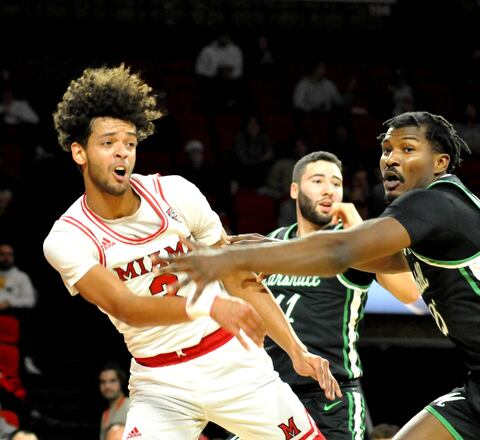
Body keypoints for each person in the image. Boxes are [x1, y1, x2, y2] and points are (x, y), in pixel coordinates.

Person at [161, 111, 480, 439]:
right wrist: (271, 246)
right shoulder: (424, 218)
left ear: (441, 162)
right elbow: (371, 261)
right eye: (387, 150)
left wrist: (230, 260)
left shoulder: (436, 200)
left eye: (408, 149)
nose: (391, 159)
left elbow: (341, 251)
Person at [43, 64, 339, 440]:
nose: (122, 154)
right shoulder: (68, 237)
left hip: (232, 361)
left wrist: (296, 351)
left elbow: (236, 274)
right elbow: (123, 306)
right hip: (160, 381)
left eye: (130, 143)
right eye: (108, 143)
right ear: (78, 152)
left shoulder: (176, 193)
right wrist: (208, 305)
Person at [260, 151, 419, 439]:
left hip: (330, 397)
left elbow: (410, 293)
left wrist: (359, 229)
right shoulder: (273, 243)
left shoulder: (351, 245)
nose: (328, 190)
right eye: (317, 180)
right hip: (267, 392)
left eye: (336, 183)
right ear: (294, 190)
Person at [98, 363, 130, 440]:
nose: (107, 386)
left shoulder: (130, 406)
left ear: (121, 382)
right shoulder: (105, 414)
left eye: (112, 381)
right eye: (103, 382)